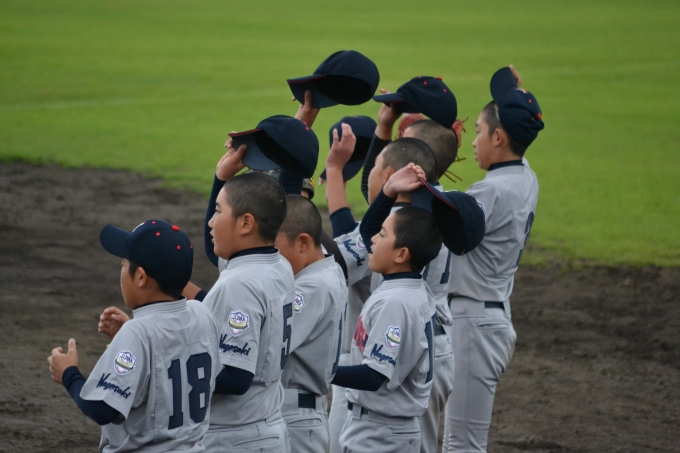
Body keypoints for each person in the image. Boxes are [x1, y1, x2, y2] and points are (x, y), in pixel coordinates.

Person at [47, 220, 221, 452]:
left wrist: (69, 374)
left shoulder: (138, 333)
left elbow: (102, 409)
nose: (121, 271)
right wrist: (131, 338)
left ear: (140, 277)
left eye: (123, 264)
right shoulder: (203, 314)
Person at [442, 65, 544, 453]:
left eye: (479, 132)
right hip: (489, 317)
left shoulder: (489, 193)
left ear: (499, 137)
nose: (473, 141)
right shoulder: (526, 177)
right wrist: (516, 98)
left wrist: (431, 153)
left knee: (462, 445)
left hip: (473, 328)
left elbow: (440, 219)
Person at [200, 143, 296, 453]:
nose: (211, 222)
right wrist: (221, 178)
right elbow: (215, 247)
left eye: (218, 212)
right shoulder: (277, 264)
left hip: (236, 437)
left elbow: (236, 377)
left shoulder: (240, 283)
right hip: (263, 424)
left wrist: (165, 368)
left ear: (246, 223)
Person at [331, 189, 441, 453]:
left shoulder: (396, 302)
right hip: (383, 428)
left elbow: (373, 376)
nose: (372, 239)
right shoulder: (412, 288)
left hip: (381, 433)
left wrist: (322, 370)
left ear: (401, 254)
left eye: (381, 234)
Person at [274, 194, 348, 453]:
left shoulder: (311, 287)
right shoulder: (328, 268)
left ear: (303, 243)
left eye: (274, 248)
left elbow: (268, 343)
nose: (271, 257)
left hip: (295, 419)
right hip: (300, 414)